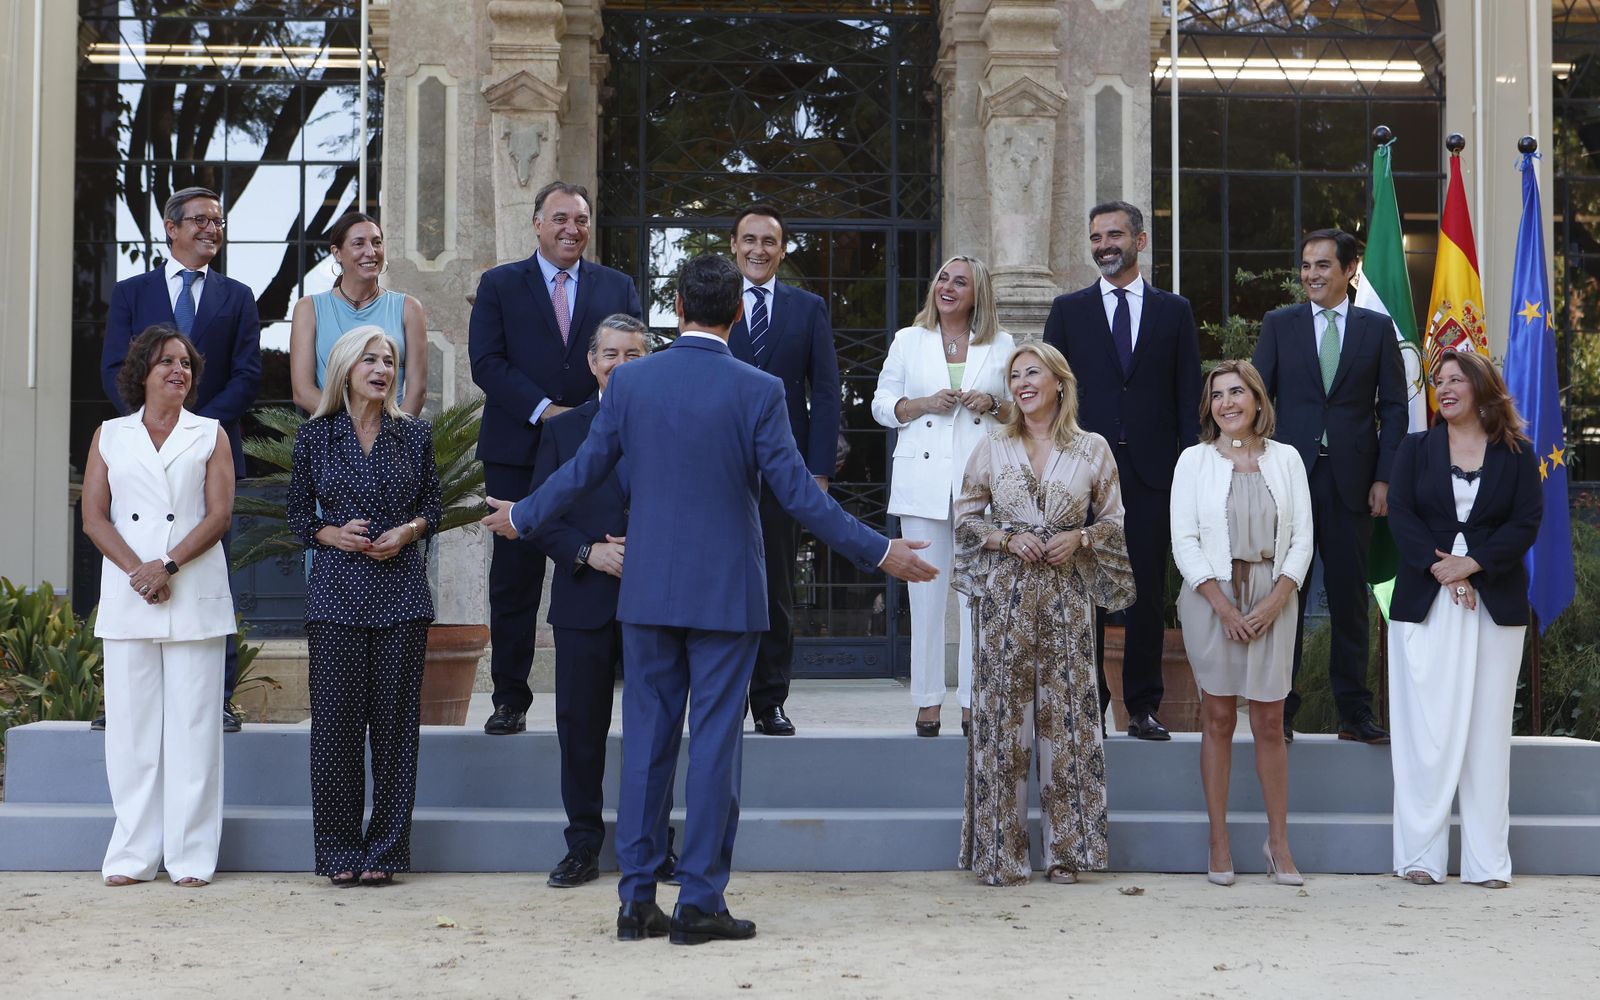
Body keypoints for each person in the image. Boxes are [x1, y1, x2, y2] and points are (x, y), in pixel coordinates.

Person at [482, 254, 937, 945]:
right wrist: (881, 550)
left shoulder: (631, 382)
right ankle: (699, 902)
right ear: (733, 313)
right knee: (715, 748)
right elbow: (799, 497)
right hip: (728, 594)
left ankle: (636, 901)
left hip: (649, 592)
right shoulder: (758, 388)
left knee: (646, 748)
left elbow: (580, 472)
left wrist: (522, 517)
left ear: (676, 305)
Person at [951, 341, 1133, 886]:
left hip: (1066, 601)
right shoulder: (990, 447)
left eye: (1033, 373)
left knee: (1069, 720)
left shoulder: (1092, 449)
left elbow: (1116, 522)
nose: (1022, 384)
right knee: (1003, 721)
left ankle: (1068, 852)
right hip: (1004, 600)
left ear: (1060, 382)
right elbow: (963, 519)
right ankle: (1000, 855)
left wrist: (1078, 537)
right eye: (1014, 377)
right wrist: (1006, 540)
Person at [468, 180, 644, 736]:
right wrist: (547, 411)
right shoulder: (499, 284)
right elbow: (486, 362)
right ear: (537, 224)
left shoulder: (617, 284)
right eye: (561, 218)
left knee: (599, 567)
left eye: (582, 219)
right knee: (515, 578)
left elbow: (637, 363)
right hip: (519, 450)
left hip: (602, 451)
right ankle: (510, 697)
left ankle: (623, 689)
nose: (573, 228)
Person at [100, 185, 262, 733]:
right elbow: (113, 368)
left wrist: (198, 430)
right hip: (141, 454)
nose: (211, 229)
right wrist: (153, 426)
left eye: (218, 222)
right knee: (134, 562)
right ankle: (121, 699)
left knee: (210, 575)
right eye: (200, 220)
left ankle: (216, 698)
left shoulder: (237, 296)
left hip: (210, 453)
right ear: (171, 228)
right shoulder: (130, 292)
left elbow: (248, 374)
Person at [285, 327, 441, 888]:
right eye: (371, 360)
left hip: (400, 597)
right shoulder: (315, 437)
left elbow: (434, 505)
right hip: (336, 598)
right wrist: (330, 534)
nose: (382, 369)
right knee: (335, 732)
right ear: (347, 368)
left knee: (396, 731)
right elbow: (298, 513)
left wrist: (409, 530)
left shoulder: (414, 436)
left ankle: (387, 849)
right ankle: (337, 851)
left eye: (390, 360)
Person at [82, 324, 236, 888]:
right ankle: (131, 856)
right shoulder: (110, 434)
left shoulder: (210, 433)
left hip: (192, 591)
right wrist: (139, 573)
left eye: (187, 364)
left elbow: (218, 516)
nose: (179, 371)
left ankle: (191, 857)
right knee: (131, 731)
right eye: (166, 362)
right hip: (130, 596)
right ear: (142, 372)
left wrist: (166, 566)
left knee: (196, 729)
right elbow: (95, 516)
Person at [1042, 200, 1201, 741]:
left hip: (1154, 474)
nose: (1104, 244)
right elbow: (1048, 394)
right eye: (1095, 237)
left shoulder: (1174, 312)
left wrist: (1188, 468)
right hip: (1081, 475)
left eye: (1114, 234)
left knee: (1145, 592)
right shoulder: (1068, 310)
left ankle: (1143, 706)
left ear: (1141, 240)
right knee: (1082, 590)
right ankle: (1087, 705)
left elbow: (1186, 399)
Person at [528, 314, 675, 889]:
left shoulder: (670, 423)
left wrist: (648, 545)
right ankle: (583, 844)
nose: (619, 365)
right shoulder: (564, 432)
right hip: (584, 596)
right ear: (592, 363)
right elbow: (540, 515)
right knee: (581, 729)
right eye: (610, 355)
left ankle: (654, 846)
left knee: (655, 727)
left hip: (655, 598)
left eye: (633, 355)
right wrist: (589, 552)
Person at [1385, 350, 1541, 889]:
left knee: (1487, 732)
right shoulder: (1415, 448)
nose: (1445, 388)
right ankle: (1421, 857)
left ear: (1481, 388)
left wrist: (1473, 565)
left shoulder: (1517, 452)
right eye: (1438, 380)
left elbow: (1527, 521)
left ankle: (1486, 862)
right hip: (1424, 605)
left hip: (1494, 606)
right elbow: (1401, 517)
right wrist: (1443, 570)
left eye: (1456, 379)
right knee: (1423, 731)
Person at [1252, 228, 1408, 744]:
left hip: (1353, 485)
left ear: (1349, 269)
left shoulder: (1375, 329)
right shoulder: (1280, 325)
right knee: (1286, 595)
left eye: (1322, 265)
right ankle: (1283, 709)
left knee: (1348, 601)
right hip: (1288, 484)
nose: (1311, 275)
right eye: (1305, 266)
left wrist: (1384, 477)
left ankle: (1354, 713)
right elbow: (1256, 400)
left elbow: (1393, 408)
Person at [1170, 361, 1311, 887]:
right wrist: (1223, 607)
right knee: (1219, 719)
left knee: (1271, 722)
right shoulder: (1193, 461)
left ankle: (1278, 844)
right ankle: (1219, 842)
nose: (1227, 403)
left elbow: (1302, 539)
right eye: (1217, 395)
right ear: (1209, 407)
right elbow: (1183, 539)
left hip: (1274, 596)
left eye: (1237, 392)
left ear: (1257, 400)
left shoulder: (1288, 459)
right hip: (1213, 599)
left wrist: (1276, 600)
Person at [873, 255, 1014, 737]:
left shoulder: (1002, 344)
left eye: (960, 282)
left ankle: (974, 701)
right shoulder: (908, 341)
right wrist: (922, 405)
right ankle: (927, 701)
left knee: (977, 598)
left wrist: (994, 403)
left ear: (979, 295)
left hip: (982, 488)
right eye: (942, 278)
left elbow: (1025, 408)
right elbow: (881, 405)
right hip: (923, 486)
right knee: (925, 598)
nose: (947, 287)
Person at [727, 204, 840, 736]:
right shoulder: (714, 303)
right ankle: (724, 697)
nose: (758, 249)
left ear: (782, 248)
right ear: (733, 245)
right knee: (722, 583)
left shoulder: (807, 307)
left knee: (776, 586)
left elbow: (825, 391)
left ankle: (770, 698)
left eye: (769, 241)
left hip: (784, 469)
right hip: (719, 465)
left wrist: (816, 472)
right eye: (749, 239)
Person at [289, 211, 429, 416]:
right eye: (359, 243)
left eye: (377, 242)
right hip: (330, 438)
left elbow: (417, 391)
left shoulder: (409, 308)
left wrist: (394, 437)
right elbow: (303, 391)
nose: (371, 252)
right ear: (337, 253)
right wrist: (355, 432)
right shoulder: (308, 309)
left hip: (393, 439)